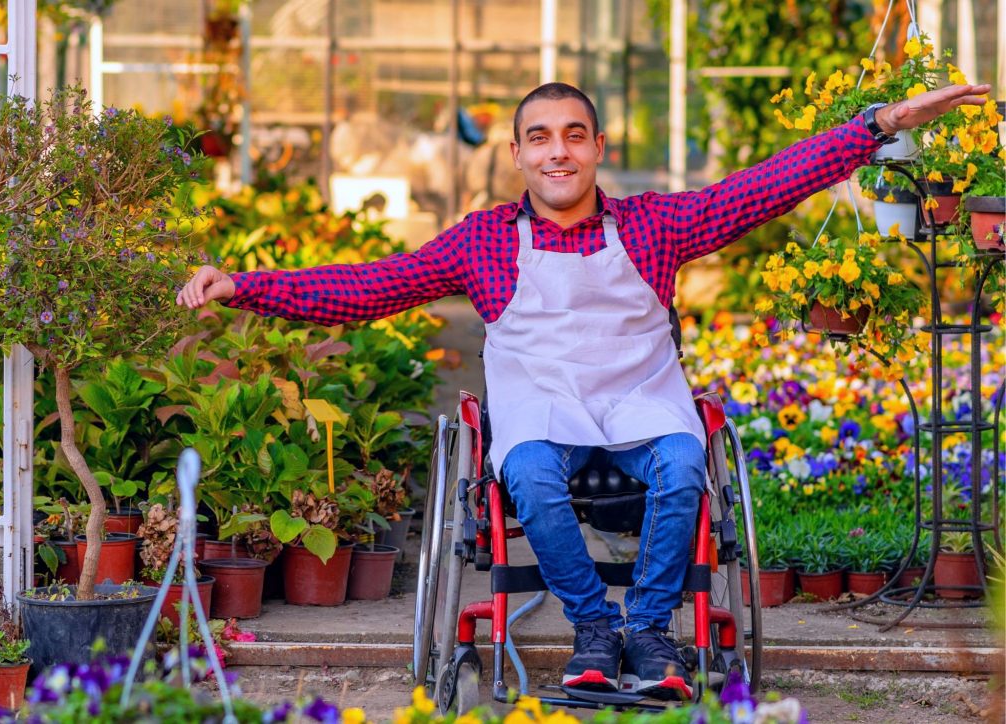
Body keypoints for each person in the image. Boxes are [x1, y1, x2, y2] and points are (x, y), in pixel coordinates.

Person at [178, 81, 990, 700]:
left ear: (598, 146)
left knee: (683, 464)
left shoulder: (655, 224)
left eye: (573, 136)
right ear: (519, 155)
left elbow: (763, 188)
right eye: (539, 139)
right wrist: (245, 285)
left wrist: (878, 126)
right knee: (526, 473)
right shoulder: (484, 241)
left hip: (640, 395)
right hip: (542, 405)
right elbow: (369, 287)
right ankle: (595, 631)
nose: (557, 152)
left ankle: (651, 632)